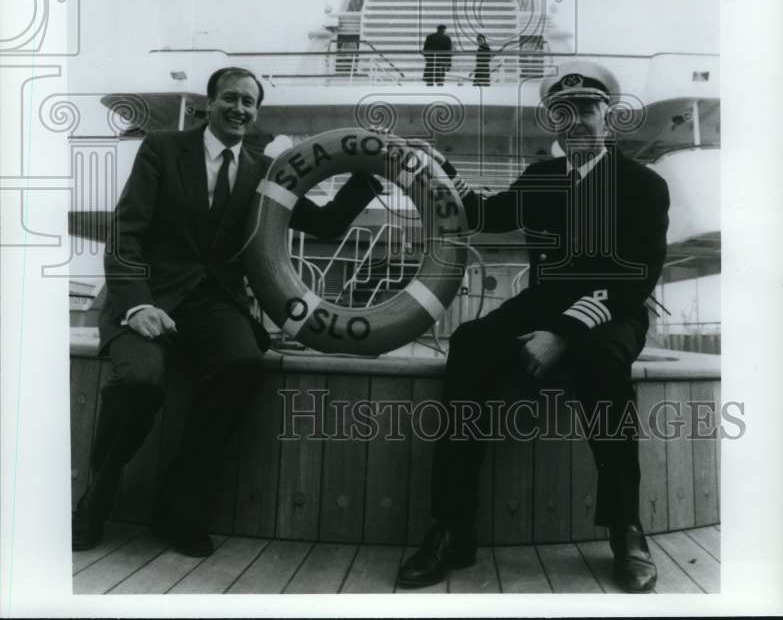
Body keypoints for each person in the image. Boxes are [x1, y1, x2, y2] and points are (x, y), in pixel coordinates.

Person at [72, 67, 379, 558]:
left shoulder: (262, 172)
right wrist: (138, 304)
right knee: (140, 382)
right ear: (208, 105)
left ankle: (178, 509)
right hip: (149, 296)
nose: (240, 109)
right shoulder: (162, 149)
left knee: (242, 363)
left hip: (212, 304)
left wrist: (371, 170)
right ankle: (94, 501)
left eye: (249, 103)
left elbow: (323, 224)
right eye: (230, 99)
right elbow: (125, 234)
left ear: (256, 112)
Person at [397, 60, 670, 593]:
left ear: (607, 116)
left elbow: (634, 276)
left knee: (601, 361)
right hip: (544, 300)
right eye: (563, 112)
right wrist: (438, 168)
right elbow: (482, 214)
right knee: (471, 343)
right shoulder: (542, 177)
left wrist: (561, 335)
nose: (576, 121)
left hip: (613, 306)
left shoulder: (642, 184)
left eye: (587, 109)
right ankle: (453, 527)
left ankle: (625, 528)